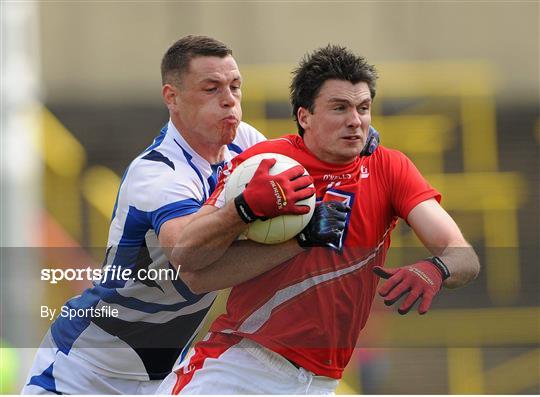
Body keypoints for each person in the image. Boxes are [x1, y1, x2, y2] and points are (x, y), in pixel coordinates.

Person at [156, 44, 480, 395]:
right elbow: (189, 264)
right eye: (339, 108)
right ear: (305, 116)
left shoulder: (390, 168)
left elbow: (463, 256)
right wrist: (246, 211)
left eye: (363, 108)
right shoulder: (265, 163)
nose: (355, 120)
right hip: (240, 368)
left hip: (322, 383)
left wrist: (437, 269)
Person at [22, 35, 318, 394]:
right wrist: (242, 210)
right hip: (84, 370)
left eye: (235, 86)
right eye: (211, 88)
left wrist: (348, 144)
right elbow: (188, 258)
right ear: (171, 97)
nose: (229, 99)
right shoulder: (158, 172)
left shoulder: (245, 143)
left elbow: (314, 173)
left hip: (162, 374)